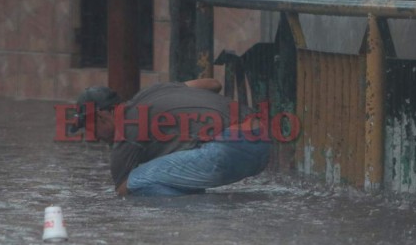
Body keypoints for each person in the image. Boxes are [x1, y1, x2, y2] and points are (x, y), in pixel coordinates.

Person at [73, 78, 271, 196]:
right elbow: (213, 84)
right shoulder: (155, 91)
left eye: (89, 128)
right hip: (263, 141)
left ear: (100, 116)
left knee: (135, 184)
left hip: (228, 150)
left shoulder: (127, 130)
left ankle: (202, 213)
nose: (94, 137)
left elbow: (122, 189)